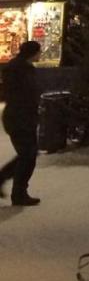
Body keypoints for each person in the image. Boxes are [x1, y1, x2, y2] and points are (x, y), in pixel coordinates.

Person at [1, 40, 42, 206]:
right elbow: (24, 94)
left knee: (28, 154)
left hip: (20, 117)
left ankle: (8, 183)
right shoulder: (20, 70)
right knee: (28, 155)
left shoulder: (19, 68)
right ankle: (18, 193)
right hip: (20, 118)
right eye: (39, 51)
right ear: (32, 53)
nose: (41, 54)